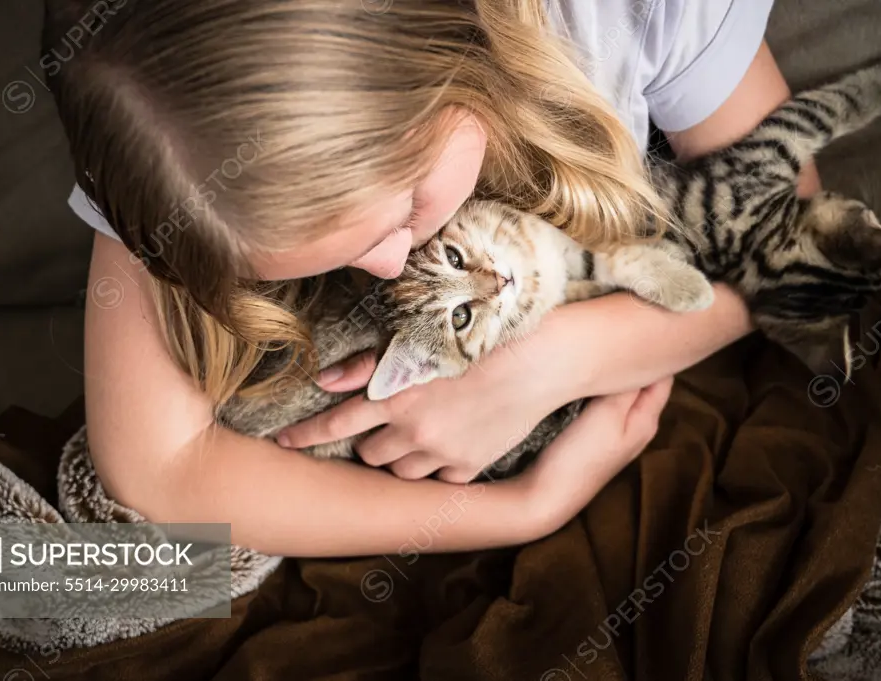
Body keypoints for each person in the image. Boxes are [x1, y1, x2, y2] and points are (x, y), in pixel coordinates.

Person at [45, 0, 819, 558]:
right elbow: (157, 469)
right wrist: (520, 510)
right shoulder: (155, 109)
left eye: (406, 212)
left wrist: (556, 362)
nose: (387, 266)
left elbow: (797, 228)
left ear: (445, 56)